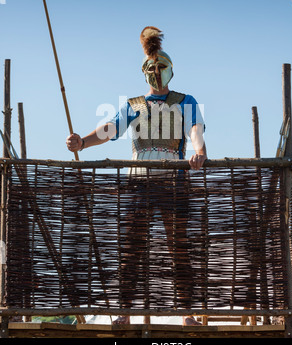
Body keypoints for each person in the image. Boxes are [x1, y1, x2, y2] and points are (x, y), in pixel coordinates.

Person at [66, 26, 207, 326]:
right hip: (139, 181)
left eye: (161, 68)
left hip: (173, 179)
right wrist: (83, 141)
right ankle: (125, 311)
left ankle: (187, 313)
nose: (157, 72)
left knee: (179, 248)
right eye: (153, 68)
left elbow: (195, 129)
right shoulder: (134, 106)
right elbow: (110, 129)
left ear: (170, 70)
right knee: (131, 249)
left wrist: (199, 151)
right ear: (146, 72)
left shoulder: (186, 101)